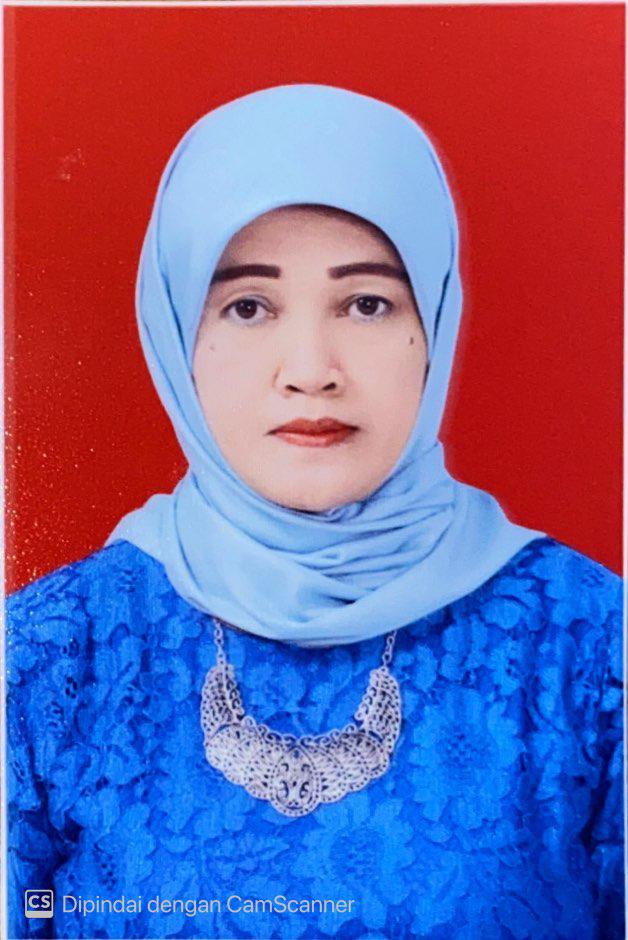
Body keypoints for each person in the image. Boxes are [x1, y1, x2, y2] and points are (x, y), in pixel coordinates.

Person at [6, 84, 623, 940]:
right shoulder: (48, 659)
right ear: (177, 333)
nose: (309, 370)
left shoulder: (591, 648)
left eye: (366, 303)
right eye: (248, 307)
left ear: (433, 326)